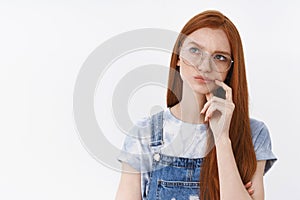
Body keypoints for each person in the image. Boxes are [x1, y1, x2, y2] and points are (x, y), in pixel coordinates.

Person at [115, 10, 277, 200]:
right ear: (177, 57)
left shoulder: (253, 133)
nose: (205, 66)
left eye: (220, 57)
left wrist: (222, 138)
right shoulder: (145, 133)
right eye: (195, 51)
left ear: (230, 70)